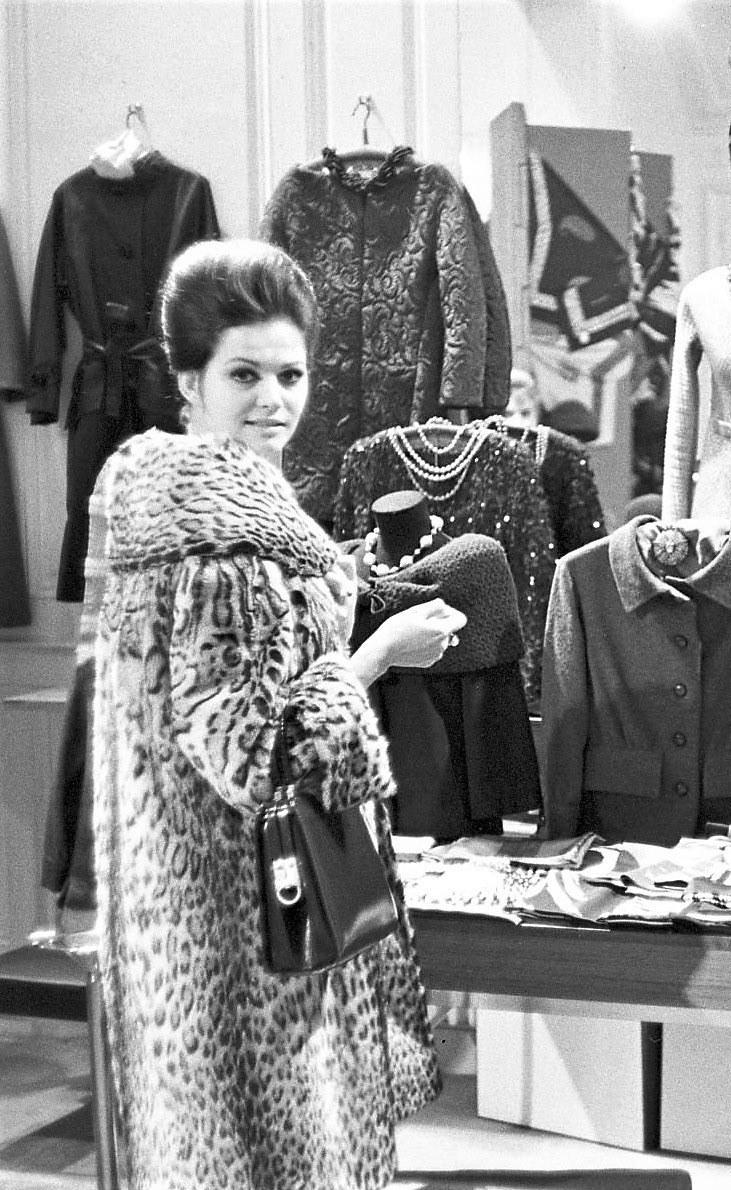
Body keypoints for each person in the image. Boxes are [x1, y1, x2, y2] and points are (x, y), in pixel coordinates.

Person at [88, 238, 465, 1190]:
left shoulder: (166, 510)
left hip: (191, 922)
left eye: (290, 374)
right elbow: (259, 754)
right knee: (282, 1161)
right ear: (189, 381)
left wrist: (327, 591)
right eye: (243, 374)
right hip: (259, 937)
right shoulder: (228, 545)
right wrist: (375, 653)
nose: (273, 399)